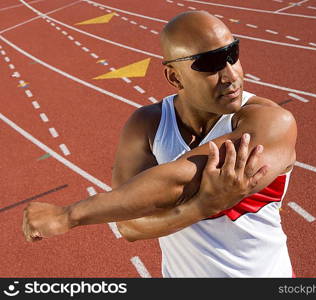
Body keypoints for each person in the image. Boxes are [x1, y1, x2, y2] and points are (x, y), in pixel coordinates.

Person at [22, 11, 297, 277]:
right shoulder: (147, 125)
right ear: (174, 77)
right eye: (210, 64)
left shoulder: (272, 122)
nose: (231, 75)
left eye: (232, 54)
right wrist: (200, 208)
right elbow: (129, 226)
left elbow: (181, 179)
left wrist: (70, 215)